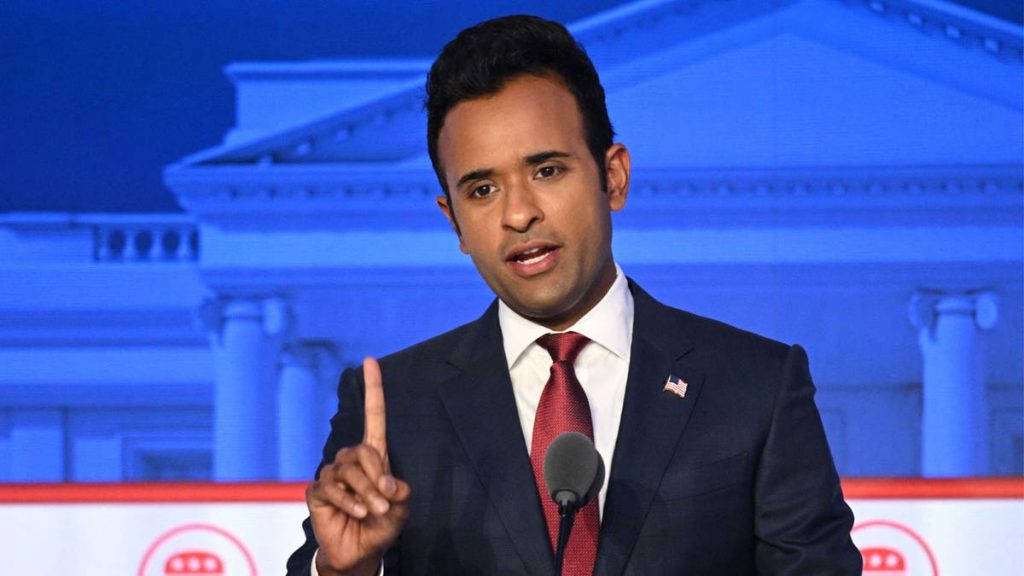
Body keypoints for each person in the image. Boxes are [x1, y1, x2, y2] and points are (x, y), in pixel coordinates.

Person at [286, 14, 861, 576]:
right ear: (454, 222)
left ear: (614, 177)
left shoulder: (756, 384)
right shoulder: (391, 406)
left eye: (547, 171)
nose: (518, 214)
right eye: (482, 189)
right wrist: (346, 571)